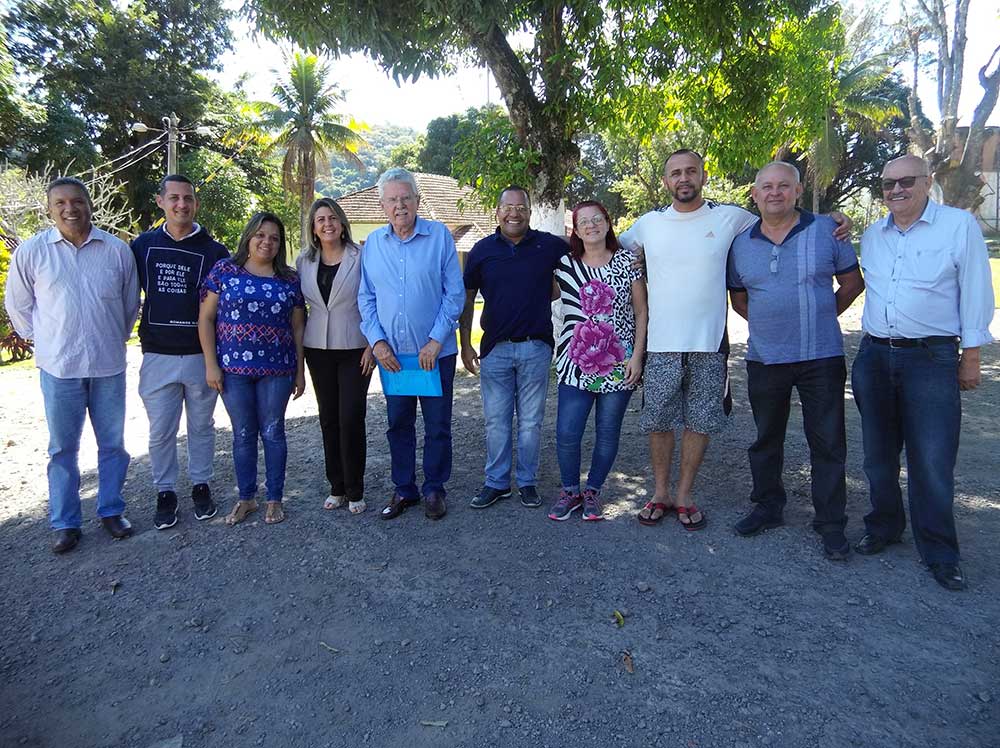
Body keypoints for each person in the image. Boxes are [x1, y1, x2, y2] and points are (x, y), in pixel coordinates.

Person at [619, 149, 851, 531]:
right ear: (665, 181)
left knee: (701, 419)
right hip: (660, 342)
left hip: (710, 343)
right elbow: (608, 246)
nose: (683, 178)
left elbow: (781, 217)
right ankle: (660, 493)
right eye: (675, 173)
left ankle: (684, 495)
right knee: (658, 421)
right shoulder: (647, 224)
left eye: (691, 171)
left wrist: (835, 220)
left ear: (703, 176)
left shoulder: (732, 218)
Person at [851, 154, 995, 590]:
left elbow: (975, 288)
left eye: (906, 181)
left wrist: (971, 356)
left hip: (930, 359)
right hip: (874, 355)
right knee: (877, 457)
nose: (896, 190)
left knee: (931, 461)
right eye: (888, 183)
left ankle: (939, 551)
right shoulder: (873, 234)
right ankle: (885, 525)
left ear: (927, 182)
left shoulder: (957, 226)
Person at [727, 162, 864, 560]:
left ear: (798, 191)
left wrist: (821, 314)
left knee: (827, 442)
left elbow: (853, 283)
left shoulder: (827, 230)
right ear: (754, 195)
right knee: (766, 438)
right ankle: (768, 506)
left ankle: (831, 524)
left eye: (783, 186)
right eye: (766, 187)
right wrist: (772, 324)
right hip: (766, 357)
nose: (775, 193)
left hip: (821, 357)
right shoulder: (741, 243)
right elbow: (739, 298)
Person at [5, 177, 140, 553]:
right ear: (49, 209)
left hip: (108, 365)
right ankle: (65, 523)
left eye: (77, 201)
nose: (70, 208)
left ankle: (111, 510)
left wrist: (112, 336)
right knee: (62, 449)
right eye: (61, 203)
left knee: (113, 444)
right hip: (59, 368)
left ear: (89, 204)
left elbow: (129, 305)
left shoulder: (116, 251)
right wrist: (45, 342)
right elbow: (18, 306)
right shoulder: (32, 253)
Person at [358, 168, 465, 521]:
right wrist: (377, 343)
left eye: (406, 197)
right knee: (398, 424)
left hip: (434, 355)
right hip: (395, 358)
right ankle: (404, 489)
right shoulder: (372, 244)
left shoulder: (439, 238)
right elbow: (367, 298)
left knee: (437, 426)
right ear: (381, 205)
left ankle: (434, 489)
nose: (400, 205)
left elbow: (454, 294)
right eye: (392, 199)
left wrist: (436, 341)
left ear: (418, 200)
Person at [459, 186, 568, 510]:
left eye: (521, 207)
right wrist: (465, 344)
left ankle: (527, 482)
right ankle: (496, 482)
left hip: (536, 348)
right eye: (508, 207)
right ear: (497, 211)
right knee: (496, 421)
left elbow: (588, 251)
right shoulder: (481, 250)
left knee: (531, 421)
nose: (514, 213)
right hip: (494, 349)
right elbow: (466, 299)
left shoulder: (549, 246)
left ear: (530, 212)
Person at [131, 174, 230, 530]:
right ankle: (165, 492)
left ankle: (201, 485)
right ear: (161, 202)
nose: (181, 205)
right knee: (161, 430)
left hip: (200, 355)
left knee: (202, 426)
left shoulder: (215, 252)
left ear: (196, 203)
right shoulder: (141, 246)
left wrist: (214, 361)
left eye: (187, 198)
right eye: (173, 198)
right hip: (157, 355)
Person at [198, 212, 306, 526]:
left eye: (273, 237)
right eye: (260, 234)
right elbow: (206, 318)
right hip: (232, 371)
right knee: (243, 435)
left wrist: (299, 371)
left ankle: (274, 498)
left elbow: (298, 327)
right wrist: (211, 364)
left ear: (280, 244)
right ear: (249, 236)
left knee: (273, 432)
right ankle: (246, 498)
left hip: (277, 370)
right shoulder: (224, 271)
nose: (266, 242)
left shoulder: (289, 279)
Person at [547, 201, 647, 522]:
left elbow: (642, 311)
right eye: (584, 222)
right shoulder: (563, 265)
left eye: (597, 219)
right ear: (575, 230)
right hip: (575, 362)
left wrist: (637, 356)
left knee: (607, 433)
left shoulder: (628, 262)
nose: (591, 226)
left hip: (619, 363)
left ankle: (593, 490)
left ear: (607, 223)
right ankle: (569, 491)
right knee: (567, 432)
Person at [297, 198, 375, 515]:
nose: (327, 224)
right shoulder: (304, 261)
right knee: (328, 418)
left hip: (356, 347)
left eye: (332, 218)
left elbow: (376, 300)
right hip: (317, 348)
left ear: (342, 223)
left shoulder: (362, 257)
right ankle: (337, 486)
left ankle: (355, 488)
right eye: (320, 220)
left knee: (351, 417)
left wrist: (374, 343)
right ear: (313, 229)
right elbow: (299, 309)